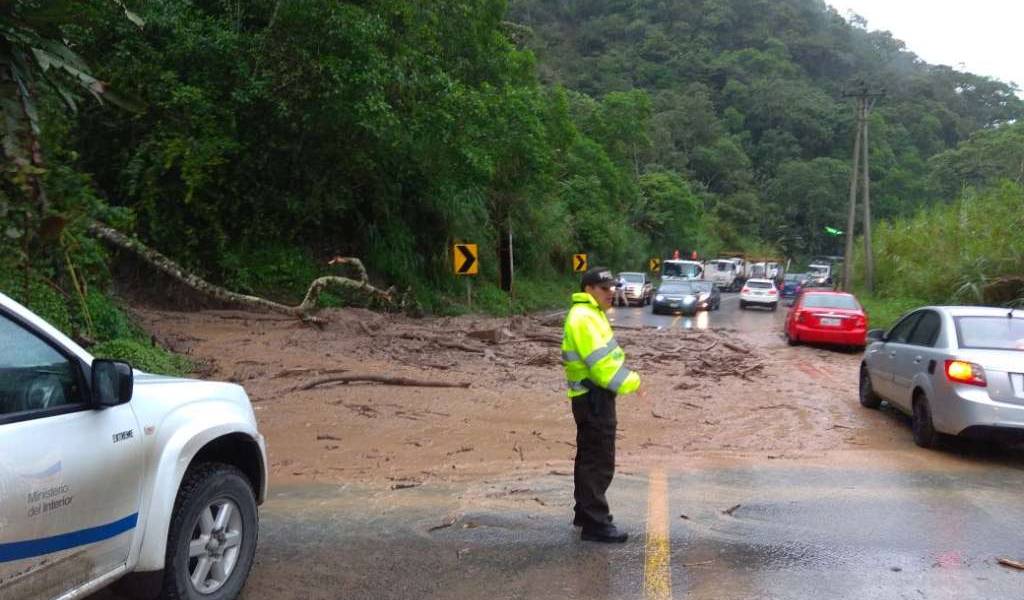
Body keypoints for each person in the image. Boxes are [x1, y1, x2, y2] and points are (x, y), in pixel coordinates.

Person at [561, 267, 642, 543]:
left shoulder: (590, 314)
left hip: (590, 397)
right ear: (589, 290)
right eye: (605, 288)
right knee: (599, 461)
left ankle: (585, 513)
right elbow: (602, 368)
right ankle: (596, 524)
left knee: (589, 457)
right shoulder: (584, 318)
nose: (611, 293)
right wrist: (633, 382)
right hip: (594, 397)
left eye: (612, 288)